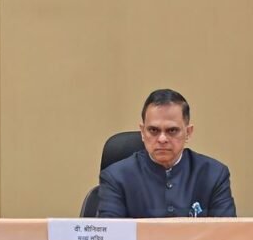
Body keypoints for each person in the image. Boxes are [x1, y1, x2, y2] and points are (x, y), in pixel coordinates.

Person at [98, 88, 236, 218]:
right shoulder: (115, 177)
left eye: (172, 130)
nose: (162, 139)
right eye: (153, 130)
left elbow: (228, 233)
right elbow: (110, 234)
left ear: (188, 132)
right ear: (143, 132)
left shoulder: (214, 174)